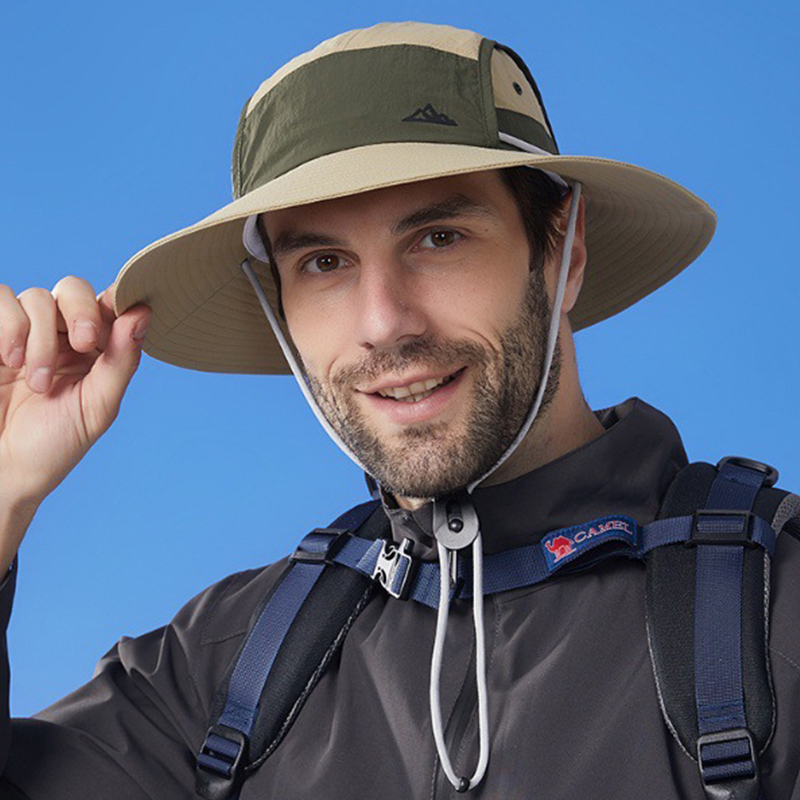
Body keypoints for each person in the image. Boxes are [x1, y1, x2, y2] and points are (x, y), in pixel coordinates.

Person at [0, 20, 798, 800]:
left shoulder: (777, 616)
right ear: (278, 305)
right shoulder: (223, 672)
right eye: (323, 262)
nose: (384, 322)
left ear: (564, 249)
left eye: (439, 238)